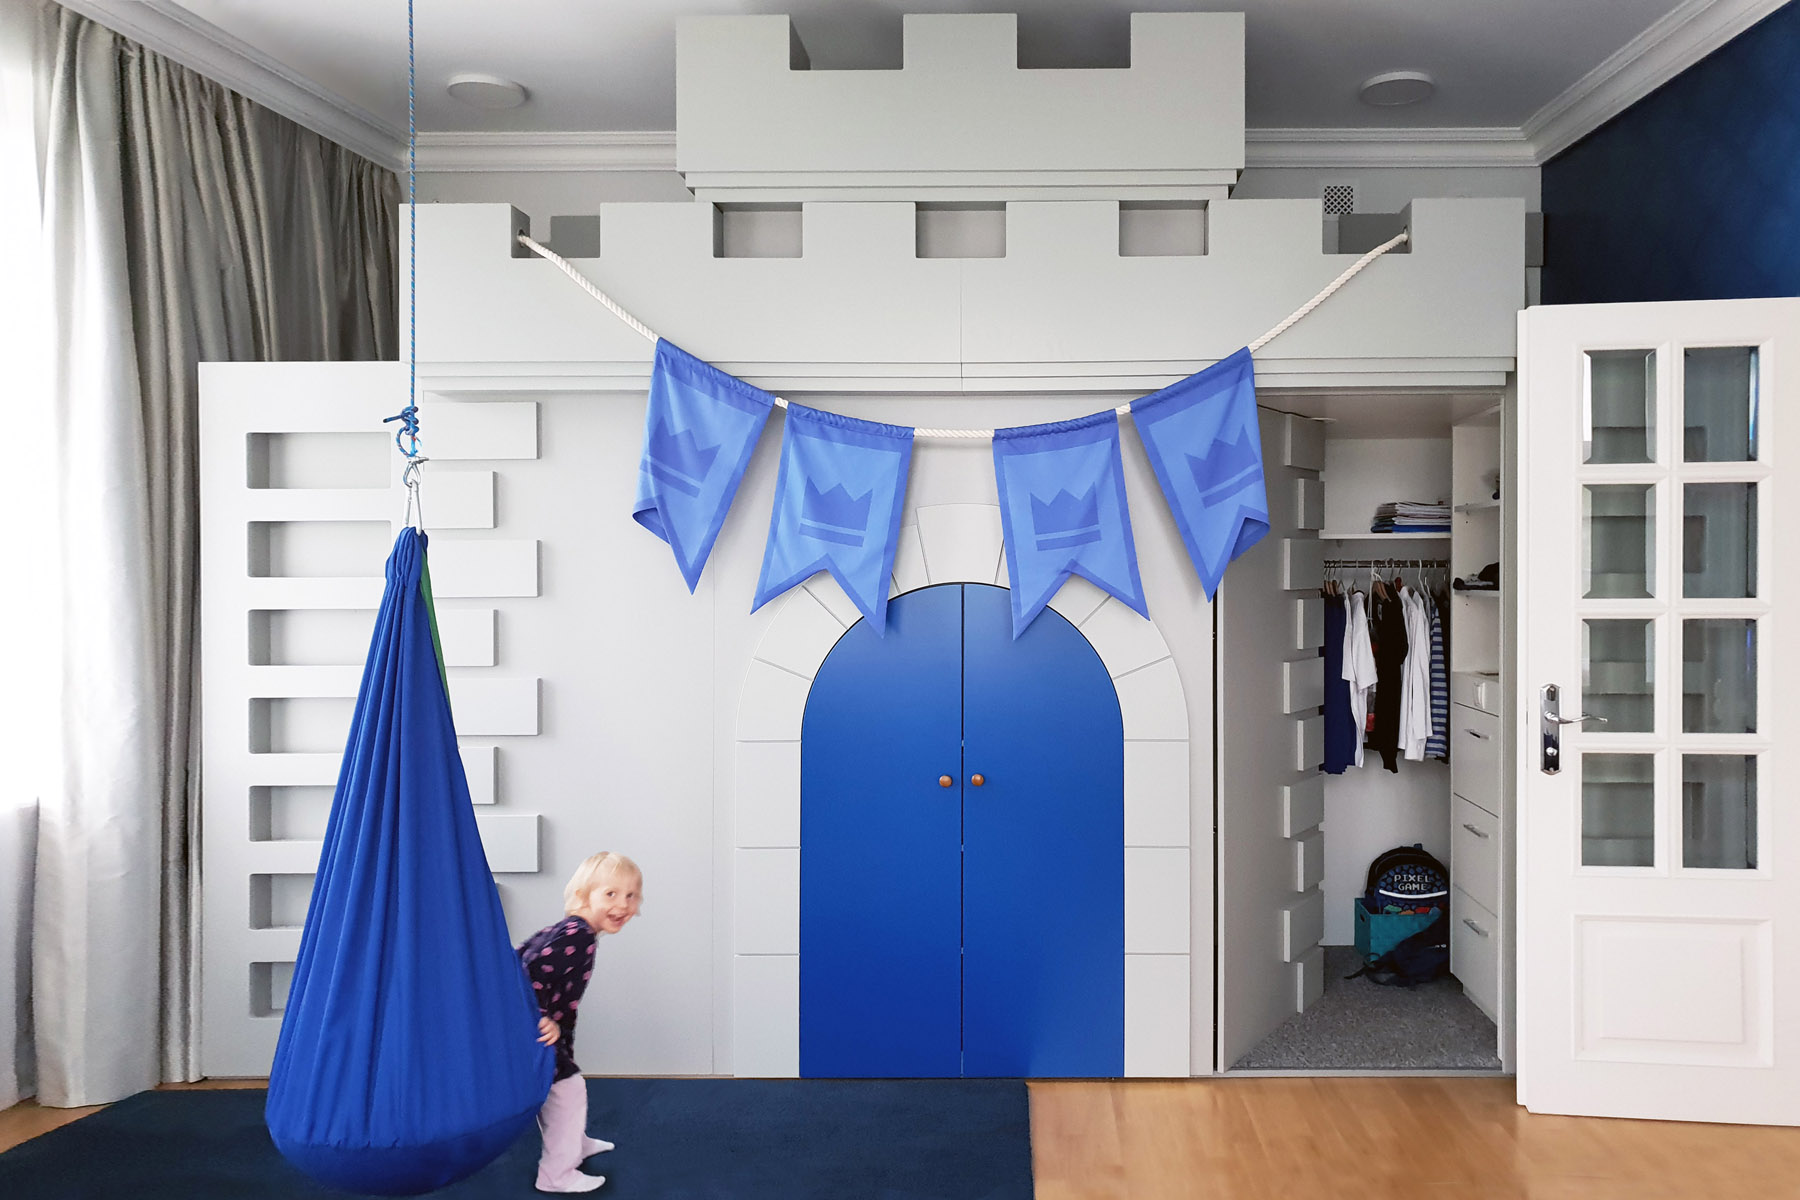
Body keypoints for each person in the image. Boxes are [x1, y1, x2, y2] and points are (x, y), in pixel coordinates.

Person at [519, 852, 643, 1193]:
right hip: (536, 1028)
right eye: (611, 894)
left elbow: (522, 954)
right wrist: (539, 1017)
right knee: (569, 1089)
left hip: (550, 1026)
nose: (623, 905)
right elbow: (530, 970)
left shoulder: (569, 929)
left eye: (631, 895)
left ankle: (574, 1141)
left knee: (557, 1089)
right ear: (583, 895)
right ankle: (556, 1174)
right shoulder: (579, 936)